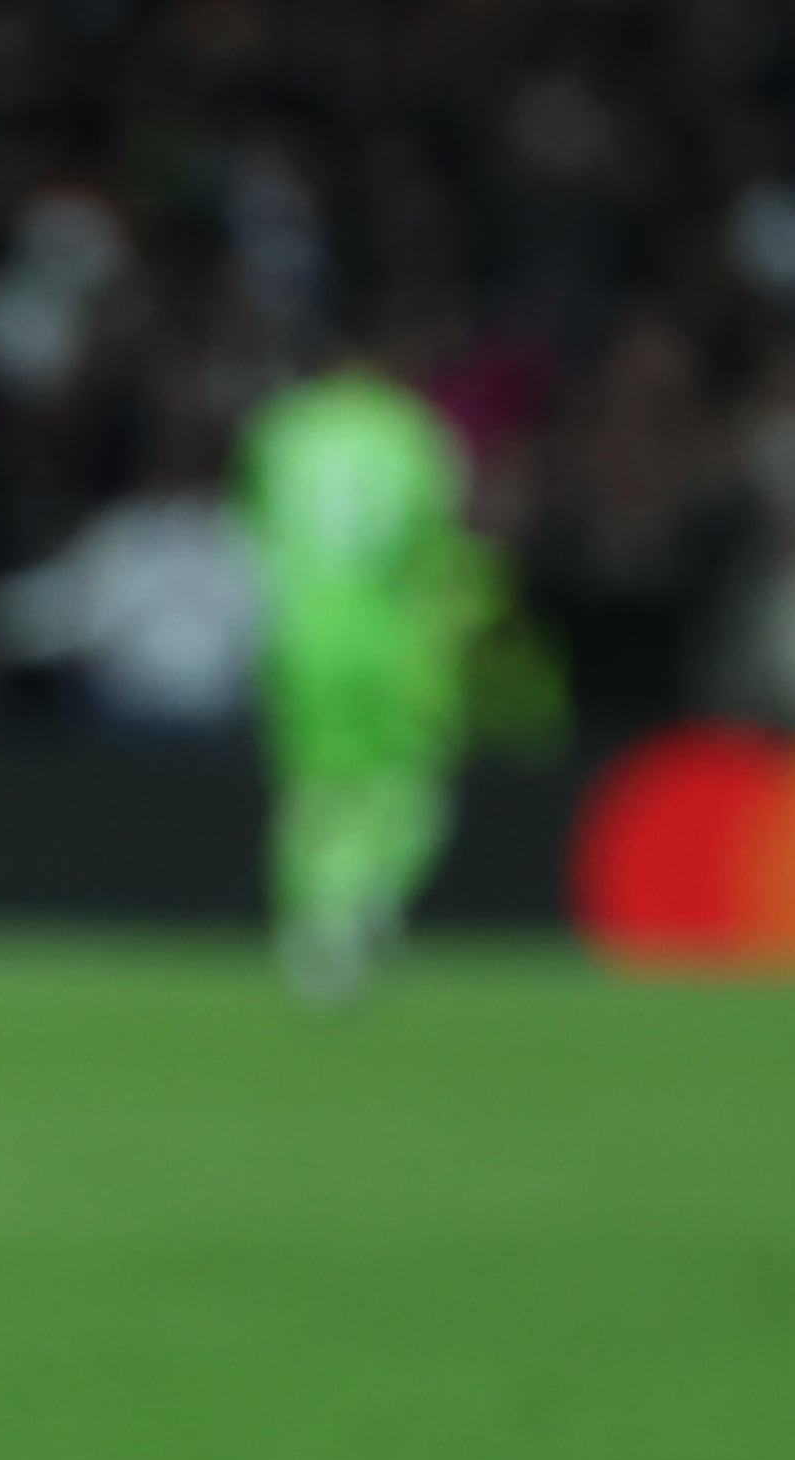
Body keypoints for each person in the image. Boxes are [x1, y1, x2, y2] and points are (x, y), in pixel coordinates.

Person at [238, 356, 482, 1001]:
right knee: (406, 782)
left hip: (302, 630)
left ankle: (315, 924)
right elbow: (438, 538)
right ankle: (368, 903)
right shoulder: (414, 430)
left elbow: (255, 529)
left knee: (316, 787)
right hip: (391, 633)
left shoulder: (285, 428)